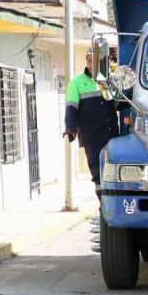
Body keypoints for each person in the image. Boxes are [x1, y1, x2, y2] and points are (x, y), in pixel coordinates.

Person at [63, 48, 124, 199]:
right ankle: (103, 206)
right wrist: (70, 128)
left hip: (111, 135)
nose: (91, 64)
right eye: (89, 61)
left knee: (115, 172)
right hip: (92, 138)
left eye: (95, 61)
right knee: (98, 174)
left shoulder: (110, 81)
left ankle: (114, 205)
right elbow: (71, 107)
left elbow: (120, 104)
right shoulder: (76, 83)